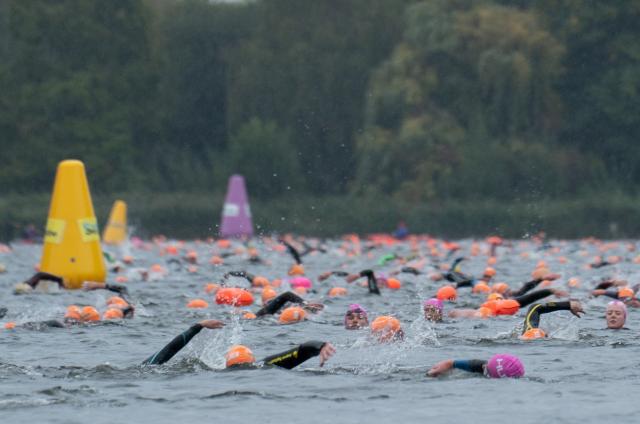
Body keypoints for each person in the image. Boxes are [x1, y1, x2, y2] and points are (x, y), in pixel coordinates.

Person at [142, 319, 335, 368]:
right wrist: (320, 346)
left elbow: (167, 352)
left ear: (226, 362)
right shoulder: (263, 366)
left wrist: (197, 327)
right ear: (252, 360)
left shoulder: (147, 367)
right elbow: (297, 353)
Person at [427, 354, 524, 378]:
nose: (483, 367)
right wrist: (450, 363)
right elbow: (450, 363)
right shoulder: (482, 366)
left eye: (486, 370)